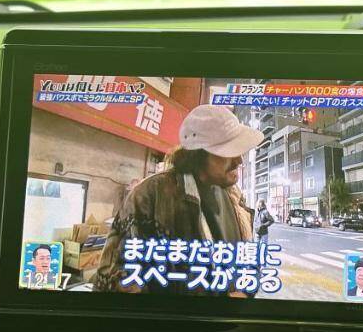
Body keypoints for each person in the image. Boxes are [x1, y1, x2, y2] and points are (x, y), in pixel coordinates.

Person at [92, 104, 264, 294]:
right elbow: (113, 278)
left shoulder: (234, 196)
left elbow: (249, 255)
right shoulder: (150, 195)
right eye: (228, 152)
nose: (239, 161)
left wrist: (246, 290)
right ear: (199, 155)